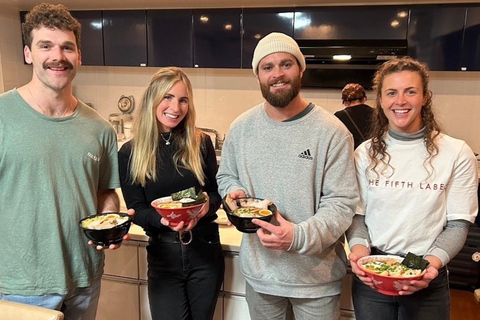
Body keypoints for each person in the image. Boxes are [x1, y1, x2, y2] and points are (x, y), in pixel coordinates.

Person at [0, 3, 130, 319]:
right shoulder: (3, 116)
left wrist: (110, 225)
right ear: (29, 53)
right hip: (20, 285)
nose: (57, 56)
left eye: (67, 47)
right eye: (46, 45)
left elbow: (105, 193)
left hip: (85, 279)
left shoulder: (100, 128)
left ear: (78, 56)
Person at [216, 32, 359, 320]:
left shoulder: (332, 132)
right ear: (257, 76)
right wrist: (233, 191)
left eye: (286, 64)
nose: (277, 74)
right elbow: (226, 175)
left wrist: (296, 236)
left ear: (301, 69)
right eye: (267, 67)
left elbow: (342, 204)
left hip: (315, 281)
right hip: (261, 276)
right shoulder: (242, 128)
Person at [346, 57, 478, 320]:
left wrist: (428, 267)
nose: (401, 101)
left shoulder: (456, 153)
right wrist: (359, 251)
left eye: (411, 91)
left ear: (425, 97)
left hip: (427, 273)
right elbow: (357, 216)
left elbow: (458, 224)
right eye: (392, 93)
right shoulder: (364, 154)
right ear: (381, 100)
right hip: (374, 274)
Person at [118, 67, 224, 320]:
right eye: (168, 97)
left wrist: (207, 206)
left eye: (183, 99)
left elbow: (215, 192)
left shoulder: (201, 143)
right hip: (163, 255)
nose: (175, 107)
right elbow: (138, 209)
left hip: (205, 250)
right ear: (153, 99)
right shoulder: (130, 152)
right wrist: (163, 221)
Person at [334, 83, 374, 149]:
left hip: (352, 156)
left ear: (344, 102)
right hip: (376, 154)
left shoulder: (339, 117)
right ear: (364, 99)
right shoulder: (378, 114)